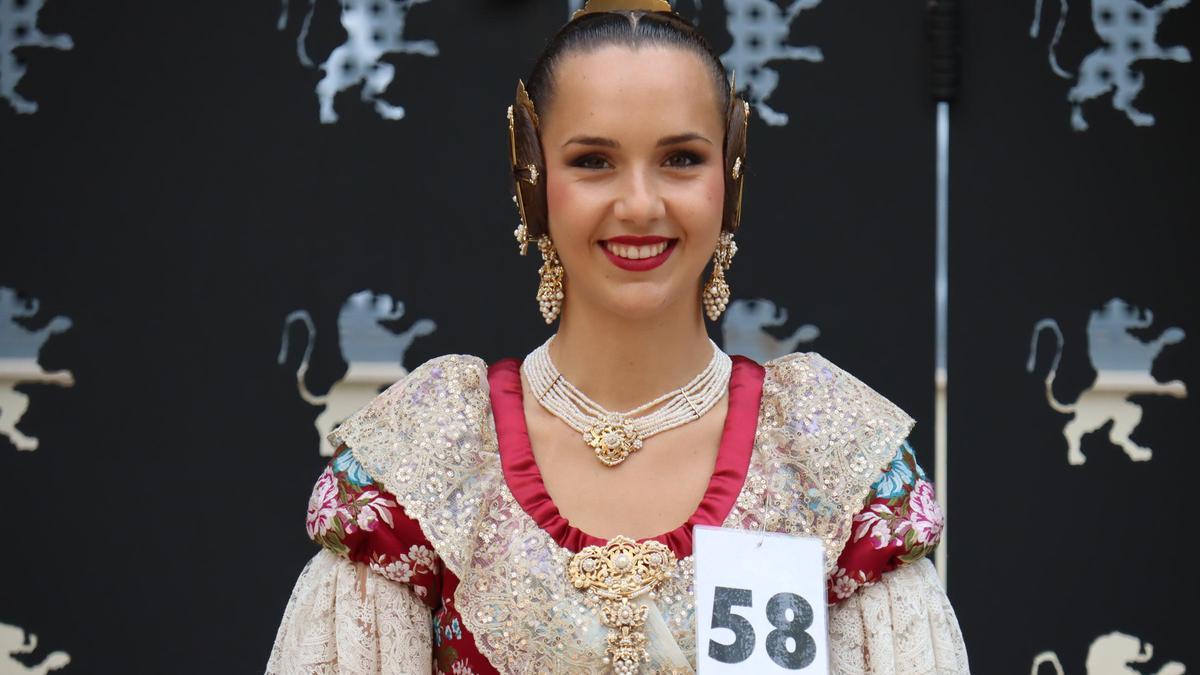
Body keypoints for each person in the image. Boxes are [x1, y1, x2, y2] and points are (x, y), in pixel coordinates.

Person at [266, 1, 969, 672]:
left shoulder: (825, 455)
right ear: (532, 177)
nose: (639, 203)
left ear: (732, 172)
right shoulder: (436, 453)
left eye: (681, 159)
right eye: (594, 161)